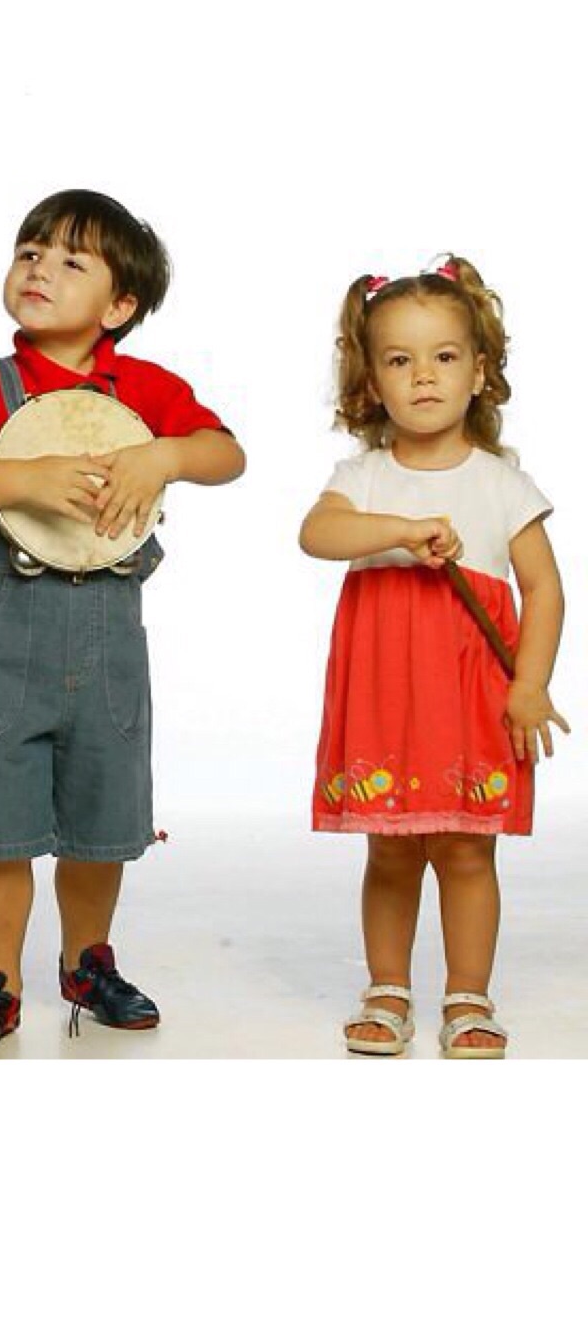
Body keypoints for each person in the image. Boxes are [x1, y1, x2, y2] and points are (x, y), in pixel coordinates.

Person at [0, 188, 245, 1052]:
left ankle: (87, 961)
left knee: (101, 808)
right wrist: (19, 480)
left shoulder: (146, 391)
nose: (39, 269)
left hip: (107, 628)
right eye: (29, 252)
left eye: (69, 261)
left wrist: (163, 454)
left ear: (119, 306)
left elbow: (226, 455)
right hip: (3, 627)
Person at [300, 256, 566, 1059]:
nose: (423, 376)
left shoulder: (500, 483)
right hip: (386, 695)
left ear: (479, 372)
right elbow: (318, 533)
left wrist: (531, 685)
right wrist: (398, 530)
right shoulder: (364, 477)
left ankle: (468, 995)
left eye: (444, 356)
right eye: (399, 359)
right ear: (371, 382)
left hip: (469, 694)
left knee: (466, 847)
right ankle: (387, 989)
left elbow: (544, 590)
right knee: (390, 846)